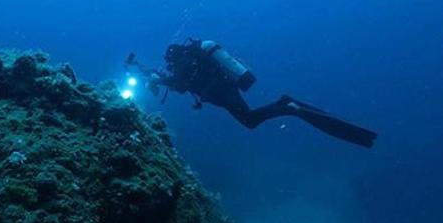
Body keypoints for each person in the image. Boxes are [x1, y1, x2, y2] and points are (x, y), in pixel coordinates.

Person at [126, 39, 377, 148]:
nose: (169, 64)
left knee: (249, 120)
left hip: (223, 93)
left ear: (173, 55)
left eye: (169, 61)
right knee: (249, 120)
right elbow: (181, 83)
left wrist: (159, 79)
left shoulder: (183, 62)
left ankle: (287, 106)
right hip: (226, 90)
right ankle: (286, 105)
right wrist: (157, 76)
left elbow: (180, 84)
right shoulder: (192, 59)